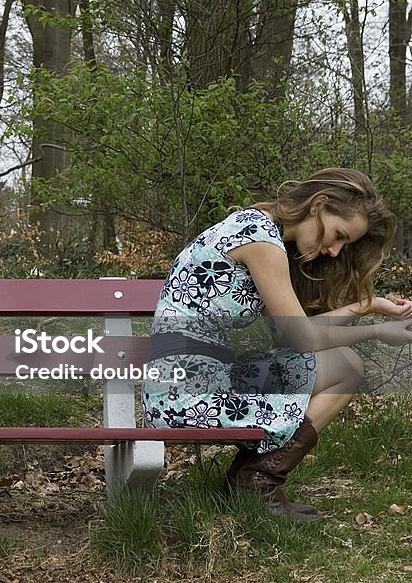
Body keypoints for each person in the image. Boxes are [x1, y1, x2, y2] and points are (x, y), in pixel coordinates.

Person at [143, 168, 412, 521]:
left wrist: (370, 306)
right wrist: (376, 331)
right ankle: (255, 483)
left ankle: (253, 481)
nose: (334, 251)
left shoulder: (260, 231)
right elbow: (304, 339)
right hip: (182, 393)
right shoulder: (261, 241)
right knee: (344, 364)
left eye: (344, 245)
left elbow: (291, 335)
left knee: (346, 366)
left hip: (212, 378)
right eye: (338, 235)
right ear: (319, 205)